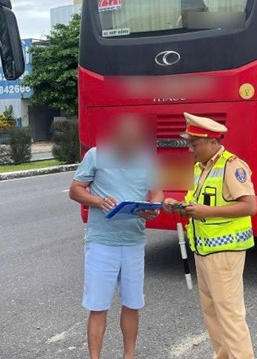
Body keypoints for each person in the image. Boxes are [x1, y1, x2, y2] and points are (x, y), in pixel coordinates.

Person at [68, 115, 163, 359]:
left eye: (134, 142)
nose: (129, 147)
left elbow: (157, 192)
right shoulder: (96, 155)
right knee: (98, 306)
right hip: (102, 243)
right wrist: (98, 201)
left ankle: (129, 355)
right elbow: (75, 190)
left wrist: (154, 208)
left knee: (132, 304)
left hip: (134, 241)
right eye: (125, 141)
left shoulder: (147, 158)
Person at [164, 112, 257, 359]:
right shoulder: (200, 168)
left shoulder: (232, 166)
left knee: (230, 315)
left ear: (213, 142)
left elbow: (249, 206)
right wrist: (178, 206)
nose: (190, 149)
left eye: (194, 144)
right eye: (189, 143)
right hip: (203, 250)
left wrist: (207, 212)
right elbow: (195, 202)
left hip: (225, 252)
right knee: (212, 312)